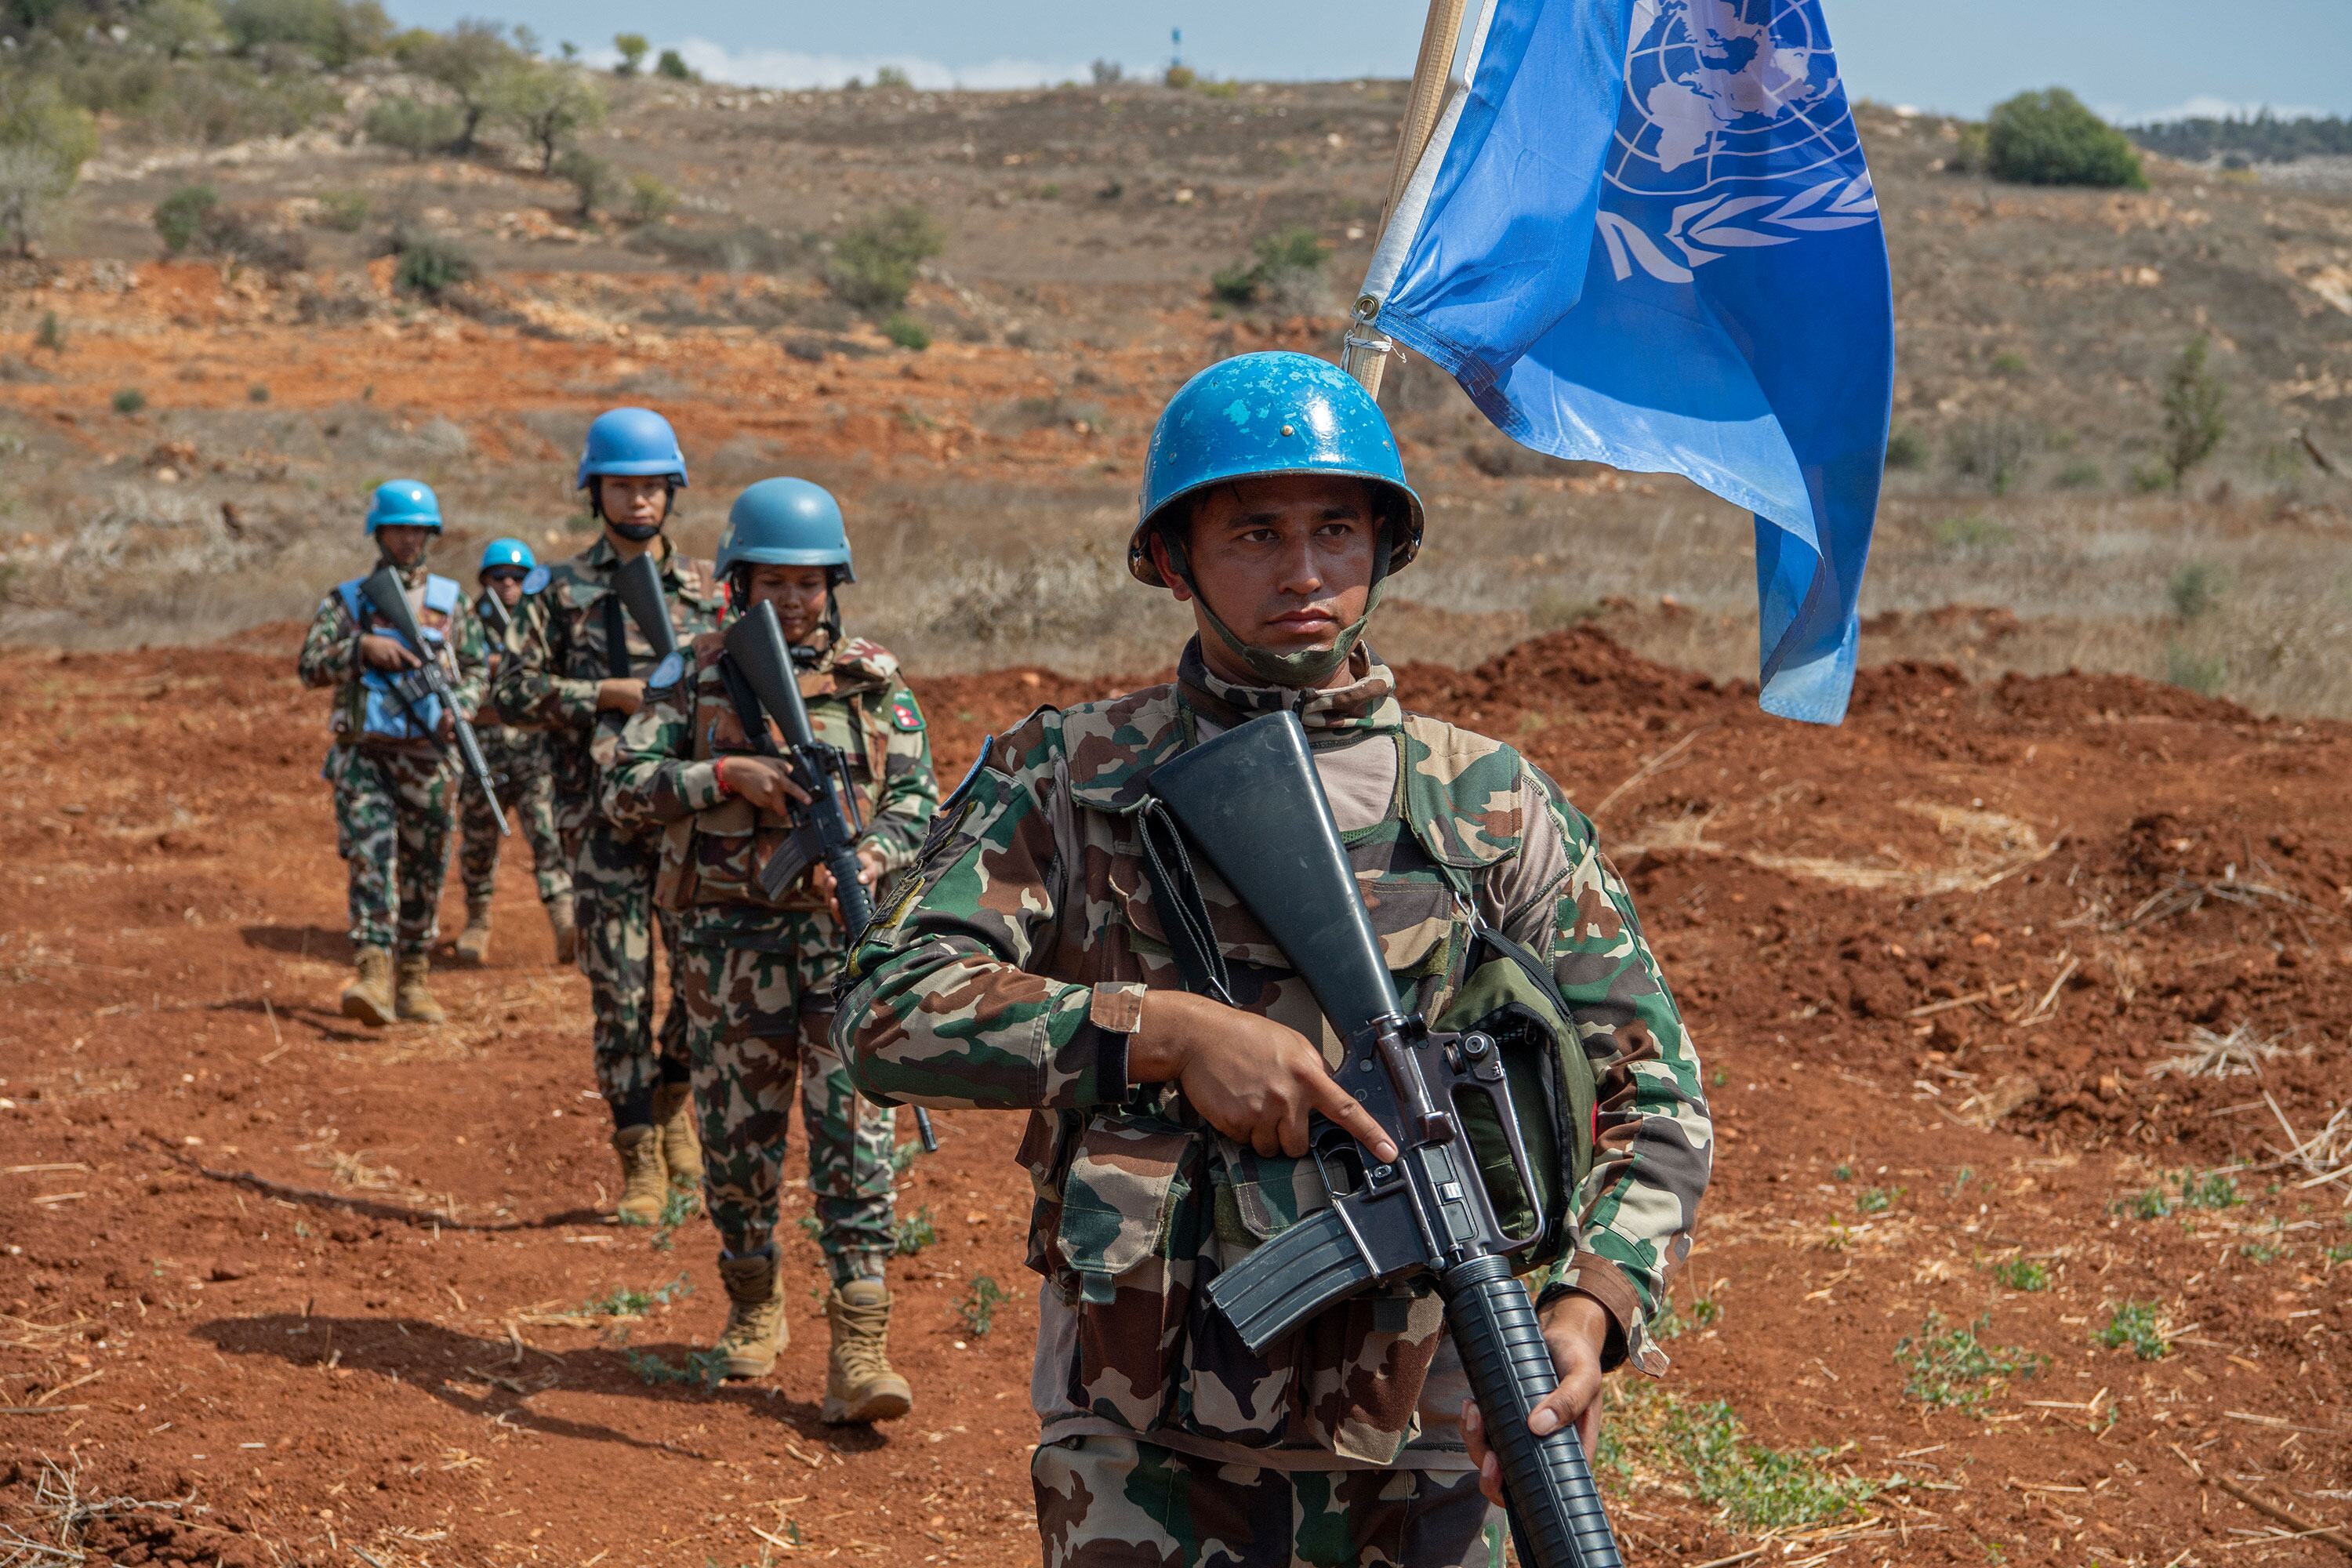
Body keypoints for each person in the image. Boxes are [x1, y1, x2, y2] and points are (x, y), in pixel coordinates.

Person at [834, 353, 1711, 1566]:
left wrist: (1593, 1304)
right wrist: (1164, 1031)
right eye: (1253, 533)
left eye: (1336, 530)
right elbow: (882, 1012)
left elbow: (1653, 1088)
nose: (1303, 573)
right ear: (1171, 558)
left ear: (1383, 549)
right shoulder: (1075, 779)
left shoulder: (1489, 804)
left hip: (1441, 1422)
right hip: (1146, 1445)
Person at [603, 476, 938, 1421]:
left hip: (841, 949)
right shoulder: (692, 678)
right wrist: (722, 775)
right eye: (776, 582)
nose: (795, 601)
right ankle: (753, 1304)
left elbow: (922, 803)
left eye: (812, 583)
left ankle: (860, 1347)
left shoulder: (875, 684)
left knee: (855, 1139)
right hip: (724, 953)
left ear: (836, 584)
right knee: (737, 1143)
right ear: (740, 584)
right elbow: (620, 788)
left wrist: (867, 855)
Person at [494, 408, 724, 1224]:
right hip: (599, 824)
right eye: (623, 485)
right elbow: (509, 693)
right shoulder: (556, 593)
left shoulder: (711, 587)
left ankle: (672, 1106)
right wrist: (606, 695)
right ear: (596, 491)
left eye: (652, 486)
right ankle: (638, 1156)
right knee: (619, 992)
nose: (639, 500)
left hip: (692, 820)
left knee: (702, 986)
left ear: (673, 491)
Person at [296, 478, 488, 1029]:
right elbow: (309, 665)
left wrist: (465, 706)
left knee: (425, 869)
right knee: (371, 861)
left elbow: (477, 669)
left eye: (418, 530)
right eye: (398, 529)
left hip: (429, 760)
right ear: (378, 533)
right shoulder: (351, 601)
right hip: (365, 757)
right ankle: (373, 972)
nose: (409, 539)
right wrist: (361, 648)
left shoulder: (453, 605)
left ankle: (414, 977)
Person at [453, 538, 576, 967]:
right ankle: (477, 923)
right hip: (482, 752)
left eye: (518, 577)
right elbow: (458, 677)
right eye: (499, 577)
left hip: (532, 751)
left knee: (547, 836)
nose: (508, 585)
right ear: (485, 581)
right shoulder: (467, 623)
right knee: (478, 842)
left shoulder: (542, 623)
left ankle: (565, 921)